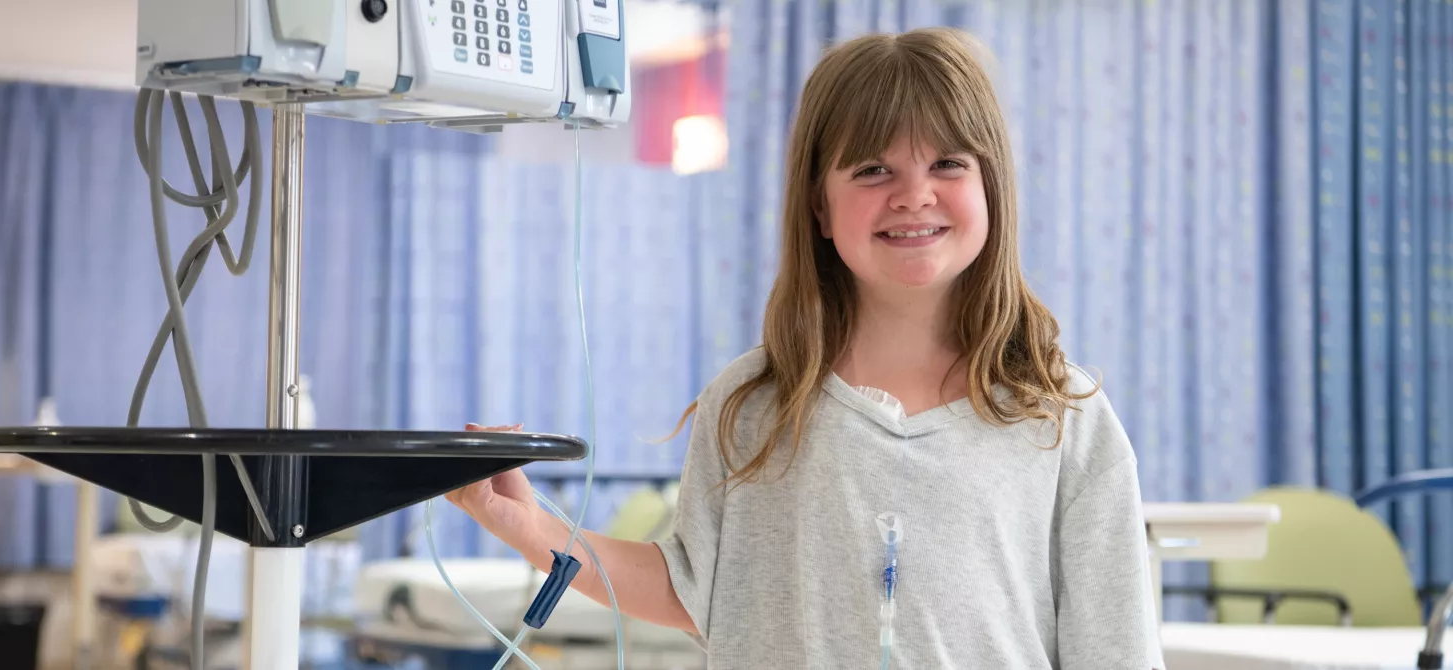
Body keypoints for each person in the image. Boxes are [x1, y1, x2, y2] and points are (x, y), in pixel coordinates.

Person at [449, 27, 1164, 669]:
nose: (914, 195)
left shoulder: (1062, 418)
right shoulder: (751, 405)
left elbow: (1117, 647)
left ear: (992, 187)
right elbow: (692, 589)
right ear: (819, 205)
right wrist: (529, 525)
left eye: (948, 163)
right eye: (873, 170)